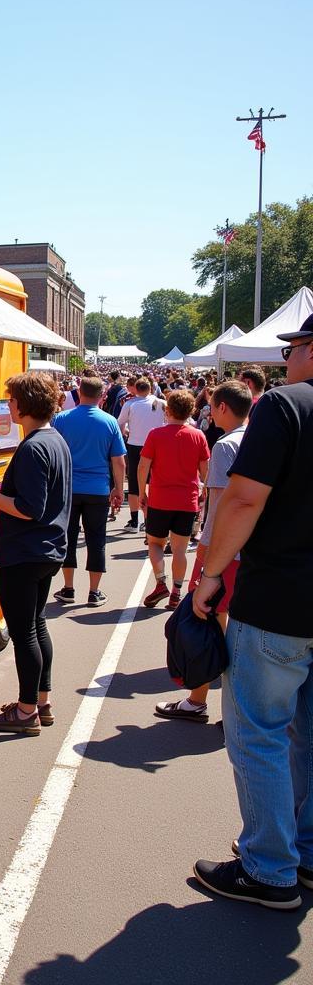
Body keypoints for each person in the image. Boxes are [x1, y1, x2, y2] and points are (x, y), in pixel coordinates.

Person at [191, 312, 313, 911]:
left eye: (293, 348)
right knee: (309, 736)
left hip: (280, 601)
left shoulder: (286, 406)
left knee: (259, 734)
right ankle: (305, 855)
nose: (287, 359)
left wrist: (211, 575)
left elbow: (243, 497)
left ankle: (269, 868)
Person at [0, 372, 71, 735]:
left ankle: (26, 710)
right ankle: (41, 702)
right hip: (47, 549)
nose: (8, 404)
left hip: (25, 552)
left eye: (11, 399)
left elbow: (30, 507)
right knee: (37, 624)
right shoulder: (55, 439)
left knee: (24, 631)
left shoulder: (32, 448)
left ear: (23, 404)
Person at [154, 379, 250, 723]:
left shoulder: (226, 446)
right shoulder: (256, 439)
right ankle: (224, 704)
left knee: (209, 623)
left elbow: (221, 506)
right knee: (233, 628)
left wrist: (206, 553)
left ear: (222, 407)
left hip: (226, 553)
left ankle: (200, 700)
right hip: (250, 551)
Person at [51, 376, 127, 607]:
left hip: (69, 489)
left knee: (68, 538)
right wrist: (118, 489)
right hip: (98, 489)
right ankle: (94, 591)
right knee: (96, 539)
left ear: (78, 393)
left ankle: (68, 587)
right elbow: (118, 461)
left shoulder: (61, 419)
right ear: (102, 396)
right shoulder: (110, 422)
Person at [137, 389, 209, 609]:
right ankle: (177, 591)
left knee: (156, 543)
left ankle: (160, 582)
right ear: (191, 411)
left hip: (160, 498)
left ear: (167, 410)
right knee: (180, 548)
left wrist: (142, 493)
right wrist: (205, 491)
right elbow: (206, 469)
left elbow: (143, 466)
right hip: (187, 499)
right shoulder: (198, 436)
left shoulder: (156, 435)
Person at [117, 376, 166, 532]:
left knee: (134, 483)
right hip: (157, 445)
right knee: (153, 482)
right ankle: (149, 518)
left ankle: (134, 521)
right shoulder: (162, 404)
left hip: (136, 445)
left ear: (136, 389)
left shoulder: (130, 404)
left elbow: (120, 424)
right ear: (150, 388)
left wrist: (127, 433)